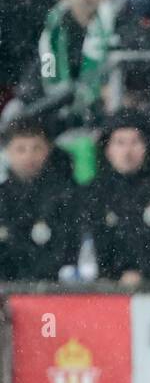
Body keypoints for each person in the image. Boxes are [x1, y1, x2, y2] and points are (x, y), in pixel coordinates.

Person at [16, 0, 116, 130]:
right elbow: (42, 71)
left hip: (103, 111)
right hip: (57, 110)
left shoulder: (119, 24)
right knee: (14, 112)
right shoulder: (52, 30)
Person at [85, 110, 150, 283]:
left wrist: (145, 273)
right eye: (120, 143)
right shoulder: (94, 191)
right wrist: (112, 276)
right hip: (108, 288)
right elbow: (93, 242)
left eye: (135, 142)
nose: (127, 151)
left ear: (147, 146)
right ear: (107, 149)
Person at [0, 117, 78, 281]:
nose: (29, 156)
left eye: (36, 148)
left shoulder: (65, 195)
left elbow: (68, 248)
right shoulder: (3, 196)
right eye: (21, 149)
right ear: (7, 151)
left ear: (48, 150)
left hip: (54, 288)